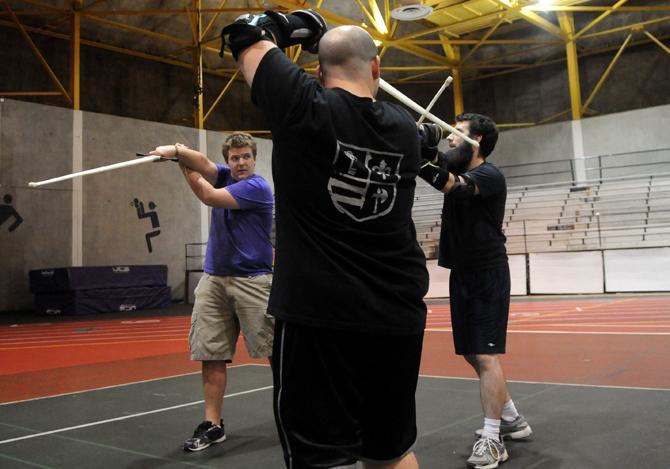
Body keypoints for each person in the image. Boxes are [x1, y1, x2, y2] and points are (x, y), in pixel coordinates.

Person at [220, 11, 429, 469]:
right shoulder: (405, 134)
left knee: (320, 459)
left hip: (320, 317)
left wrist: (301, 27)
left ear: (318, 71)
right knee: (391, 452)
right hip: (397, 314)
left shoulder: (305, 107)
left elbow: (245, 32)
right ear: (376, 69)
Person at [417, 116, 532, 469]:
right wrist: (417, 146)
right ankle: (513, 419)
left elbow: (453, 185)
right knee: (471, 352)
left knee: (485, 356)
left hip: (487, 273)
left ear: (477, 141)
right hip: (463, 274)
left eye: (456, 134)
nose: (450, 140)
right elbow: (437, 167)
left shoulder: (489, 176)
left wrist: (415, 154)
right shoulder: (461, 168)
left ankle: (493, 438)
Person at [150, 133, 274, 452]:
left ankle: (300, 415)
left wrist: (178, 160)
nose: (241, 162)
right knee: (211, 352)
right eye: (235, 158)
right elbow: (203, 163)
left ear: (254, 158)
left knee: (278, 353)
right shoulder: (224, 175)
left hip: (253, 281)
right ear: (229, 160)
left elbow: (207, 195)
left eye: (246, 156)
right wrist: (178, 150)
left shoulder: (257, 188)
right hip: (214, 279)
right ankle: (213, 425)